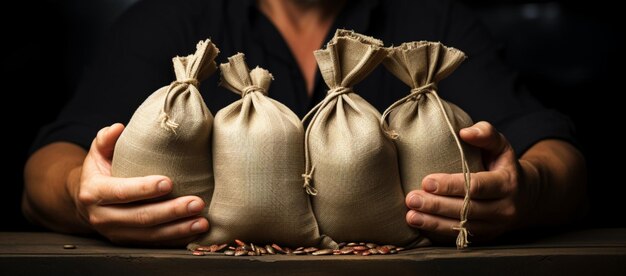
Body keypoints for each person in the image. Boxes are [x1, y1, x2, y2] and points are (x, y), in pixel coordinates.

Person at [22, 0, 587, 246]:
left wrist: (530, 188)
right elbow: (50, 163)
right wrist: (80, 193)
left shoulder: (430, 20)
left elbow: (556, 153)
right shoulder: (167, 19)